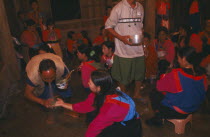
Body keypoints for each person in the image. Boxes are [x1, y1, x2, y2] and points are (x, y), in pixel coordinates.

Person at [54, 70, 142, 137]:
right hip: (118, 120)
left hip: (129, 127)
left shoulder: (111, 107)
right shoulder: (103, 91)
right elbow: (85, 106)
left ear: (99, 87)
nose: (88, 83)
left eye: (90, 82)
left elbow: (95, 127)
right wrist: (63, 104)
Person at [146, 46, 207, 126]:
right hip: (194, 108)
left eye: (178, 58)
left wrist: (166, 74)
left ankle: (158, 117)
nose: (177, 60)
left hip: (177, 112)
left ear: (184, 59)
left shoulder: (176, 74)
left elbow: (159, 86)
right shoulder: (203, 75)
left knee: (154, 93)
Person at [105, 0, 145, 98]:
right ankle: (124, 95)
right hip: (124, 51)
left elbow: (140, 28)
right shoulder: (118, 8)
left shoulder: (140, 7)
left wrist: (144, 46)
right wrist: (121, 38)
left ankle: (137, 94)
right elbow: (108, 26)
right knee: (123, 76)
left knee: (140, 73)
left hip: (139, 50)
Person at [24, 53, 72, 124]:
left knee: (67, 92)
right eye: (46, 78)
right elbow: (27, 94)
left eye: (52, 77)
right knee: (46, 99)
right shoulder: (33, 76)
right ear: (39, 73)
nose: (49, 81)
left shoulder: (61, 68)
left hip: (57, 73)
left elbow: (67, 79)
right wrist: (42, 101)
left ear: (56, 71)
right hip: (37, 71)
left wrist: (64, 85)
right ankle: (51, 114)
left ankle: (65, 107)